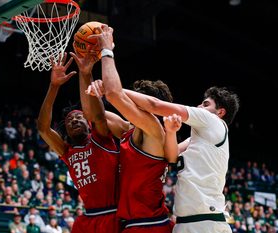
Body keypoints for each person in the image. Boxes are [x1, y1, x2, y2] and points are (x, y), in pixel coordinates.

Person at [89, 24, 240, 233]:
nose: (199, 107)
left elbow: (153, 106)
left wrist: (109, 77)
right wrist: (170, 132)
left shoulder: (212, 121)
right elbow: (170, 157)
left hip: (205, 221)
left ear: (220, 112)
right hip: (183, 223)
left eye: (206, 104)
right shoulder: (197, 140)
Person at [86, 26, 181, 233]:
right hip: (134, 224)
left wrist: (107, 50)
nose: (129, 103)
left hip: (150, 224)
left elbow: (113, 94)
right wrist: (86, 73)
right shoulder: (129, 128)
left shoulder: (154, 129)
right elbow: (93, 115)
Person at [37, 52, 120, 233]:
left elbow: (98, 115)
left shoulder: (101, 138)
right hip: (88, 217)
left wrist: (86, 73)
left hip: (114, 213)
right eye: (69, 121)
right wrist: (53, 86)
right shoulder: (67, 152)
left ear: (89, 124)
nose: (73, 120)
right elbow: (43, 128)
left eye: (78, 117)